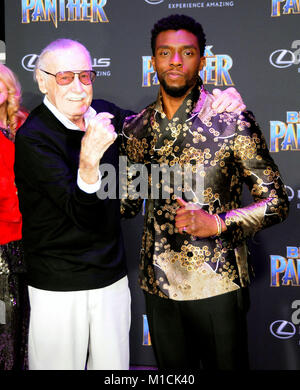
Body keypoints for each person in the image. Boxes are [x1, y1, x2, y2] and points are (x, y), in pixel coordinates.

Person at [14, 37, 245, 370]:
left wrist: (213, 105)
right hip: (59, 288)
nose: (78, 87)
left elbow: (164, 131)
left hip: (111, 280)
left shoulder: (105, 115)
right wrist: (89, 160)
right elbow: (81, 213)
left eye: (86, 75)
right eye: (65, 77)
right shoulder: (34, 137)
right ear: (43, 81)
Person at [121, 14, 289, 369]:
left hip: (218, 284)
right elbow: (125, 204)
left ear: (202, 59)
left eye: (187, 52)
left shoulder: (231, 120)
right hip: (159, 288)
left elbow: (277, 202)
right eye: (165, 53)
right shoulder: (135, 130)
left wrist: (218, 223)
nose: (176, 61)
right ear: (153, 60)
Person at [0, 64, 28, 370]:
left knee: (23, 317)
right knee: (4, 319)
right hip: (1, 237)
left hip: (27, 236)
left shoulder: (25, 125)